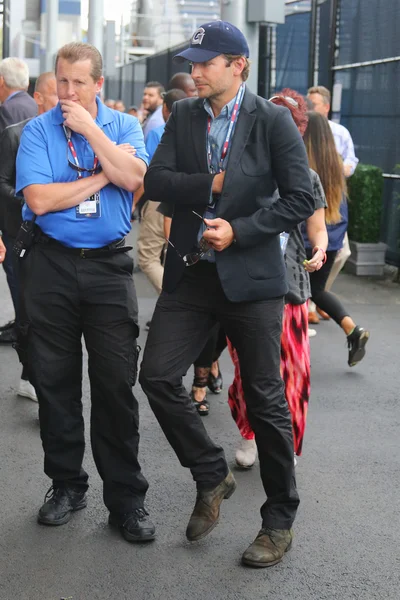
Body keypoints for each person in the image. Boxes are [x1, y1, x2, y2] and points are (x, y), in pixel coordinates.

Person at [139, 21, 315, 568]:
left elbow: (301, 197)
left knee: (264, 400)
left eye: (205, 63)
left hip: (252, 281)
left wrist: (241, 229)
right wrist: (212, 187)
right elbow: (158, 181)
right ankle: (211, 472)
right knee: (157, 376)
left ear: (238, 64)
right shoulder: (187, 113)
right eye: (192, 62)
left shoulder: (273, 119)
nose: (194, 71)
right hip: (192, 274)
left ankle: (279, 521)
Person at [15, 42, 155, 543]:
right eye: (61, 81)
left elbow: (136, 177)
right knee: (55, 382)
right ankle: (67, 486)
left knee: (117, 383)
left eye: (78, 82)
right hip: (50, 266)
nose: (67, 92)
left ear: (99, 84)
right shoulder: (37, 129)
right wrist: (102, 176)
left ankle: (126, 499)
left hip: (109, 269)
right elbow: (40, 199)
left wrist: (92, 131)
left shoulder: (124, 127)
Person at [227, 89, 328, 468]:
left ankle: (282, 442)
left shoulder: (307, 176)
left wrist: (319, 250)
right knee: (248, 371)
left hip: (289, 285)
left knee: (293, 373)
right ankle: (250, 434)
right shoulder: (238, 169)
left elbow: (317, 228)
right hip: (244, 283)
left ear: (299, 132)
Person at [0, 71, 58, 401]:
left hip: (59, 243)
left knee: (49, 314)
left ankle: (40, 379)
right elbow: (2, 183)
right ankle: (30, 375)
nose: (66, 97)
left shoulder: (73, 135)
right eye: (57, 91)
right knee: (27, 310)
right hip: (19, 237)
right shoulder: (14, 134)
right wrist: (32, 196)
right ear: (39, 98)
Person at [302, 112, 369, 366]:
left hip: (306, 242)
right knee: (316, 290)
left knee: (299, 293)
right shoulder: (335, 165)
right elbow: (341, 210)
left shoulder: (304, 165)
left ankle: (289, 349)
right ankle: (353, 330)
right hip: (329, 240)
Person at [307, 85, 358, 320]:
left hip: (325, 221)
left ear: (326, 107)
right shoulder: (326, 153)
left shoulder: (338, 134)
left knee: (316, 278)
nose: (308, 108)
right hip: (329, 222)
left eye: (313, 104)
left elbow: (351, 161)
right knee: (314, 280)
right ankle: (315, 305)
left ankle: (317, 302)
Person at [0, 58, 38, 343]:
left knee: (19, 282)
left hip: (14, 214)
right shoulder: (34, 108)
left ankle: (26, 340)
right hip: (33, 214)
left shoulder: (6, 112)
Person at [137, 88, 186, 293]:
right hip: (184, 197)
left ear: (165, 107)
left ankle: (174, 300)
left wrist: (132, 203)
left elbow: (145, 173)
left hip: (161, 201)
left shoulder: (160, 132)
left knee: (148, 258)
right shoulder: (196, 131)